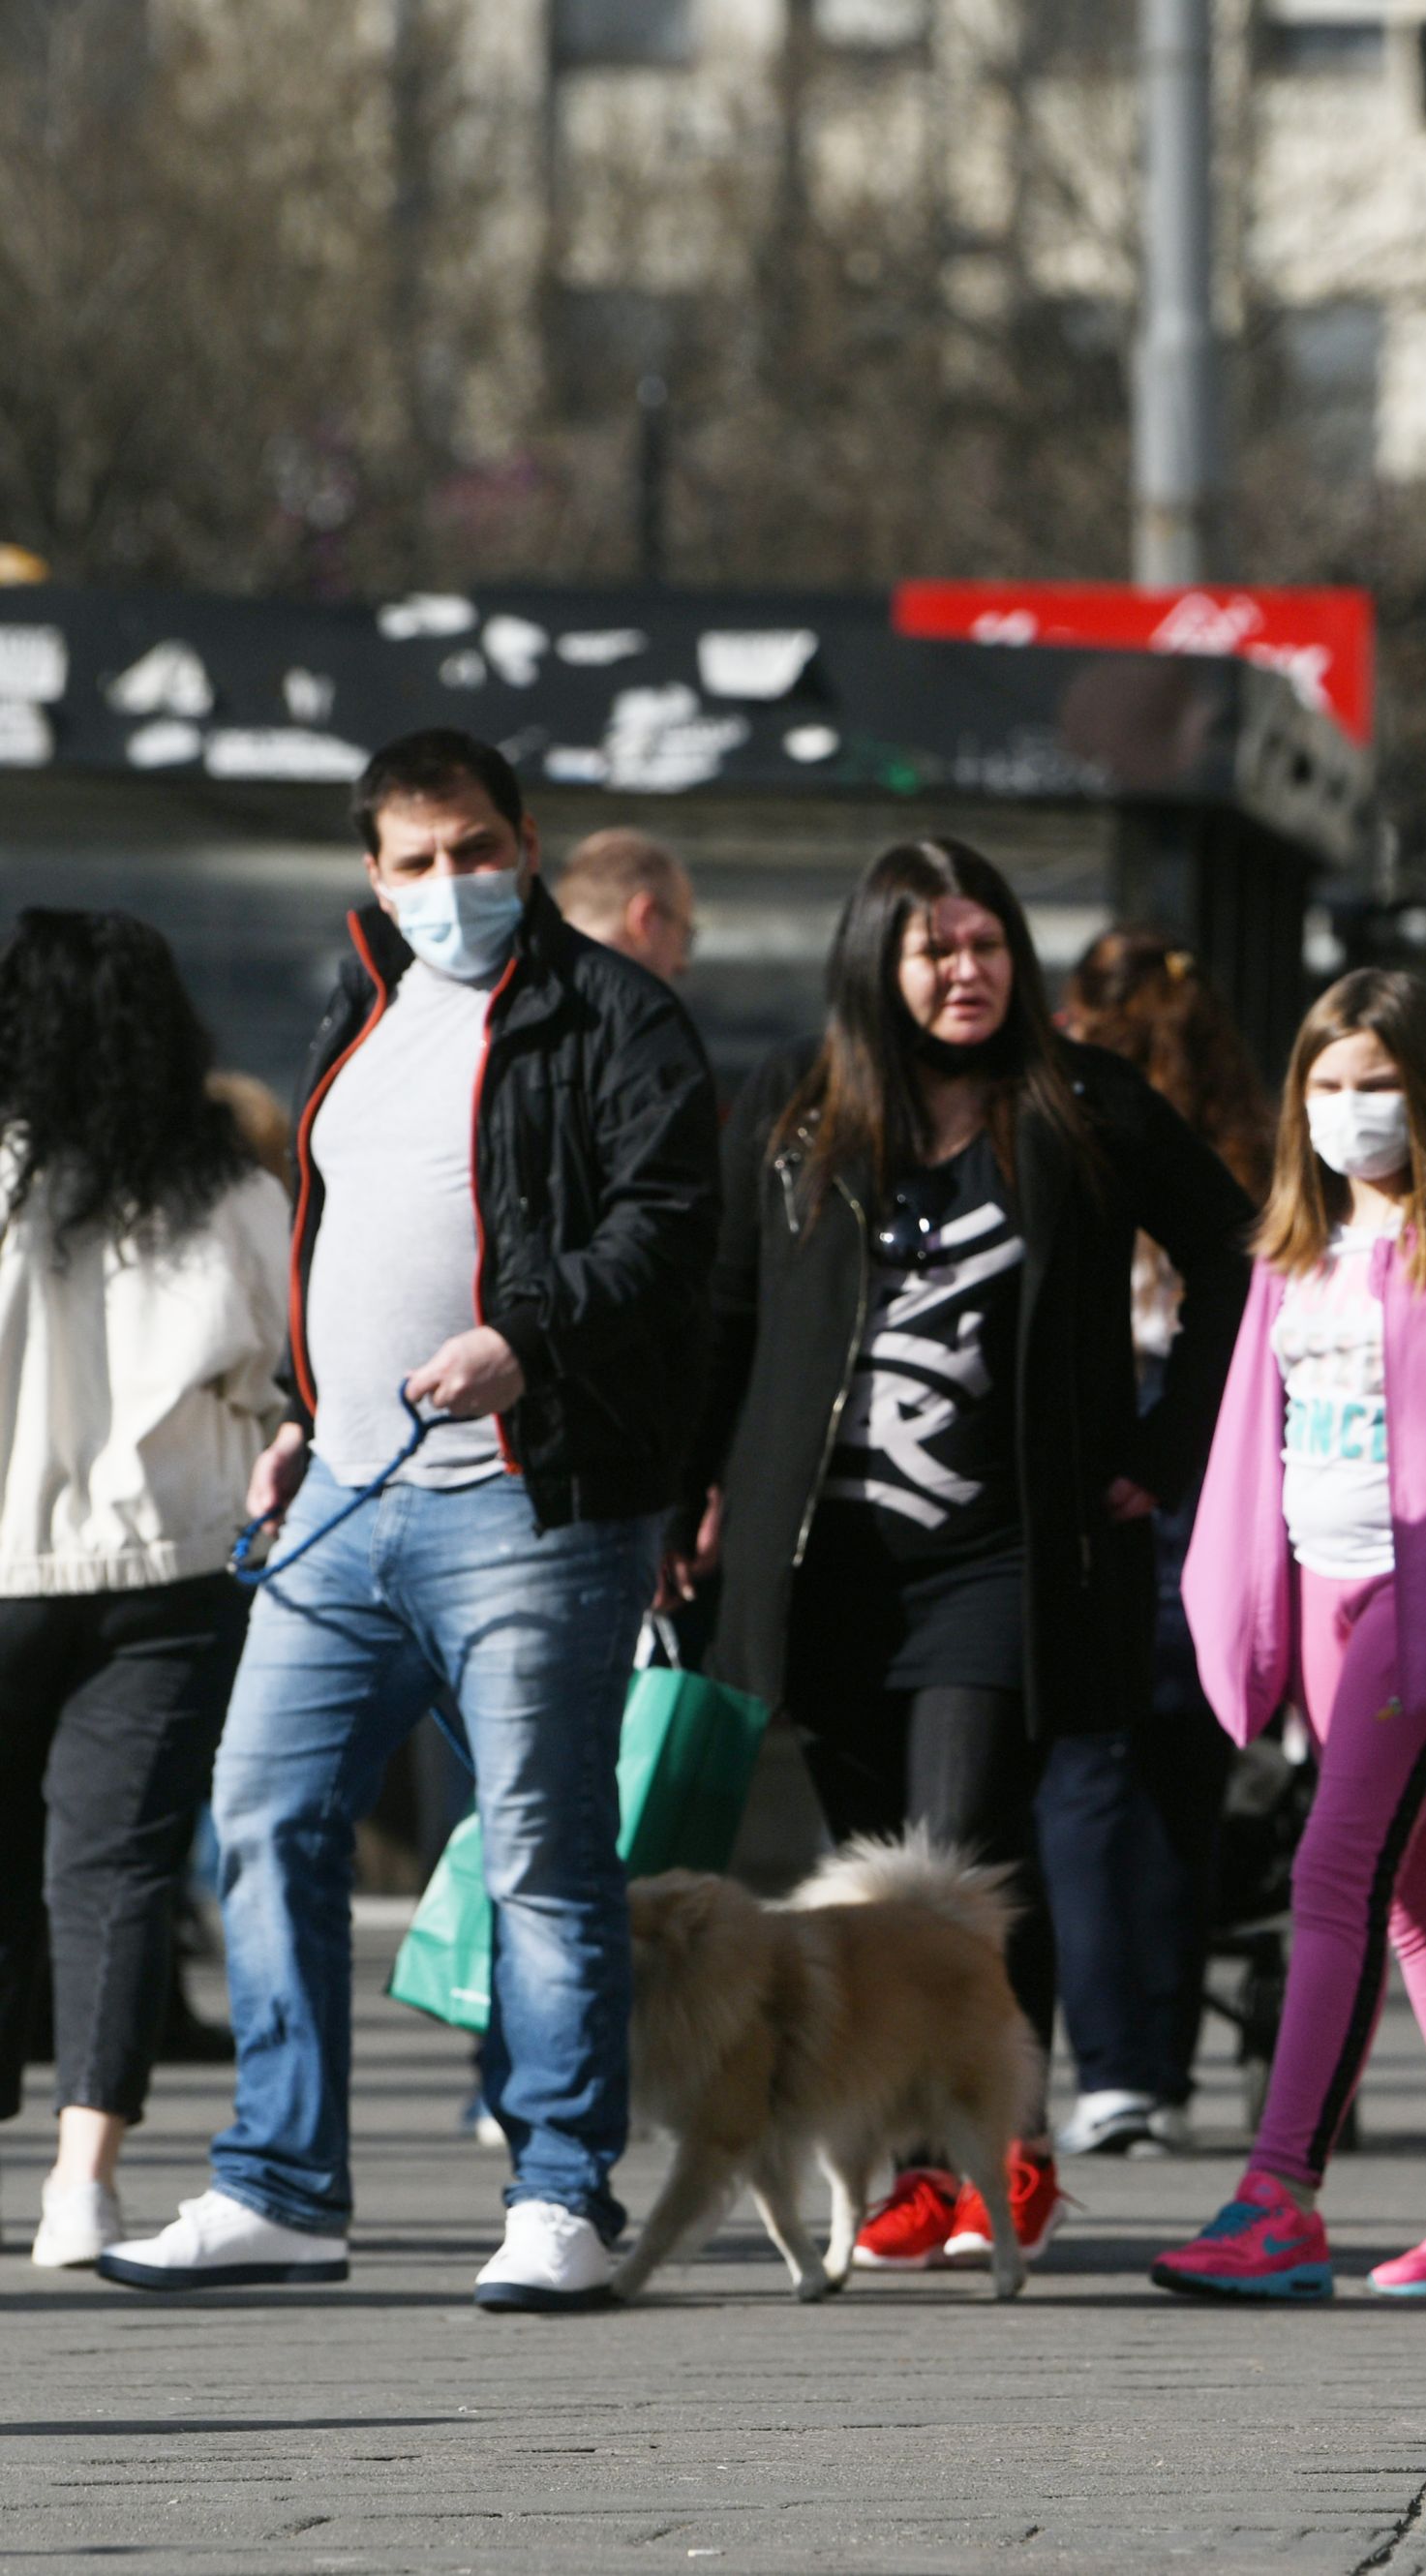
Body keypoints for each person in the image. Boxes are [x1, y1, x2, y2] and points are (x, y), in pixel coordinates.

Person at [101, 729, 718, 2311]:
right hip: (342, 1509)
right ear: (374, 874)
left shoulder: (617, 1017)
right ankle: (286, 2184)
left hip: (531, 1500)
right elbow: (344, 1240)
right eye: (418, 861)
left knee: (542, 1852)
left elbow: (670, 1232)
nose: (454, 886)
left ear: (526, 839)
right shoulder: (359, 1012)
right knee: (262, 1815)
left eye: (478, 851)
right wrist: (309, 1419)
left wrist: (532, 1331)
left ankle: (563, 2190)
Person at [684, 841, 1255, 2276]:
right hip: (828, 1563)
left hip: (1003, 1560)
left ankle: (992, 2152)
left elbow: (1236, 1253)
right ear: (878, 959)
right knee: (875, 1868)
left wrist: (1166, 1444)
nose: (965, 971)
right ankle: (923, 2156)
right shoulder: (796, 1106)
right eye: (935, 948)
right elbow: (729, 1317)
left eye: (987, 943)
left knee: (959, 1858)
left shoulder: (1080, 1101)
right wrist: (687, 1499)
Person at [1151, 967, 1426, 2301]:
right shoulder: (1296, 1251)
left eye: (1375, 1083)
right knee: (1420, 1899)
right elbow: (1252, 1439)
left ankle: (1280, 2193)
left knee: (1333, 1876)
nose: (1349, 1110)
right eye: (1326, 1086)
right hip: (1322, 1591)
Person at [0, 914, 289, 2267]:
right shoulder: (226, 1189)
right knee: (113, 1870)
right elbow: (283, 1369)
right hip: (174, 1565)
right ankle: (83, 2179)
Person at [1042, 926, 1270, 2157]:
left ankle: (1114, 2067)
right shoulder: (1246, 1148)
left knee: (1087, 1772)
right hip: (1214, 1465)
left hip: (1112, 1450)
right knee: (1186, 1775)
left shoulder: (1083, 1119)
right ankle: (1167, 2066)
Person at [547, 828, 697, 985]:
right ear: (646, 918)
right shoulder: (641, 1005)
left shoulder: (527, 988)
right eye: (685, 938)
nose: (682, 964)